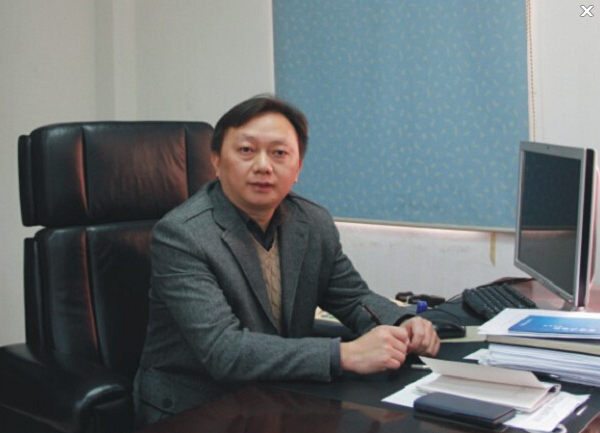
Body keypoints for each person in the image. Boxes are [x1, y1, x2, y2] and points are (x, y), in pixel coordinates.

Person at [133, 95, 440, 426]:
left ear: (298, 168)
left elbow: (353, 298)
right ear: (217, 162)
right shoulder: (183, 235)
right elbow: (224, 351)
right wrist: (344, 354)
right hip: (197, 407)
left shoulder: (312, 223)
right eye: (246, 150)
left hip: (279, 394)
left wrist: (400, 323)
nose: (263, 166)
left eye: (279, 153)